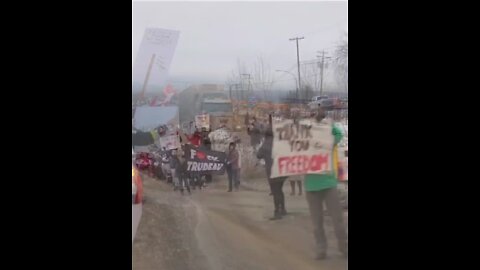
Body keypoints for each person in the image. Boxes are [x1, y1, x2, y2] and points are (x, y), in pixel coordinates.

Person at [304, 107, 347, 260]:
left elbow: (338, 135)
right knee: (317, 224)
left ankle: (344, 248)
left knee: (338, 221)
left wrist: (325, 123)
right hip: (311, 185)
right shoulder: (303, 137)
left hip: (328, 183)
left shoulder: (327, 136)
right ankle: (321, 249)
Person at [257, 115, 287, 220]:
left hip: (272, 172)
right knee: (280, 190)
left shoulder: (265, 145)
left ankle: (277, 212)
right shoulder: (280, 142)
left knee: (275, 192)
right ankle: (283, 209)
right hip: (283, 171)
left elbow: (258, 155)